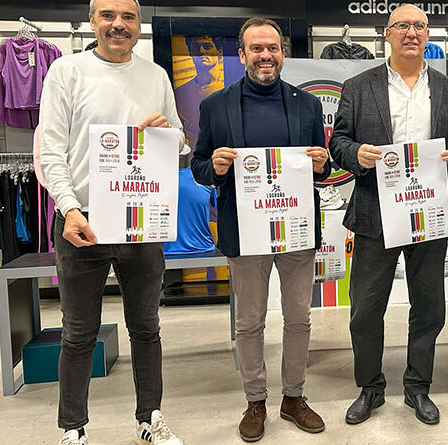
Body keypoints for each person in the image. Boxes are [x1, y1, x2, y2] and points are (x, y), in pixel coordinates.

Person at [38, 0, 185, 444]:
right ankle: (73, 429)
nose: (118, 25)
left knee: (146, 328)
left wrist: (169, 135)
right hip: (81, 220)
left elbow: (180, 143)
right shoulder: (66, 72)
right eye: (108, 16)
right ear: (92, 21)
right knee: (78, 333)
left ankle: (149, 419)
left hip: (140, 216)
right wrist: (69, 208)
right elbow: (50, 151)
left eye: (128, 17)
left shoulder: (155, 75)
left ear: (139, 24)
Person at [190, 17, 330, 442]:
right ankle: (255, 401)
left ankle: (293, 397)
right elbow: (198, 165)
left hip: (296, 228)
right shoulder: (216, 106)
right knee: (249, 321)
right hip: (245, 231)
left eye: (272, 48)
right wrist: (214, 168)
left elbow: (321, 170)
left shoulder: (308, 105)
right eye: (257, 48)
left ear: (283, 53)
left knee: (298, 318)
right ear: (242, 54)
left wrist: (322, 165)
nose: (265, 55)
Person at [328, 4, 448, 426]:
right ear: (387, 34)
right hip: (375, 212)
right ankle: (370, 387)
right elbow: (338, 142)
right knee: (366, 309)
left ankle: (418, 386)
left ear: (428, 35)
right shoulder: (358, 86)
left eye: (420, 26)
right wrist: (356, 154)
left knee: (430, 307)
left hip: (428, 212)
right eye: (402, 25)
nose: (412, 32)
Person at [175, 35, 224, 148]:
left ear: (219, 51)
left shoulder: (230, 89)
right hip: (192, 157)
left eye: (207, 46)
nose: (201, 51)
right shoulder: (180, 93)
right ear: (190, 52)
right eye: (196, 47)